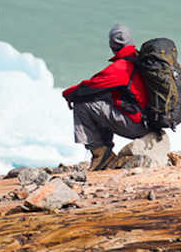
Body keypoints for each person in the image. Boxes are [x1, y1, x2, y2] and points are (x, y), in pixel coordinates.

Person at [62, 23, 149, 171]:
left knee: (82, 104)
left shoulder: (121, 67)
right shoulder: (139, 59)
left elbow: (91, 86)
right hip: (149, 121)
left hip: (138, 126)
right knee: (103, 100)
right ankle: (106, 153)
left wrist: (68, 94)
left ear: (112, 45)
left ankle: (100, 153)